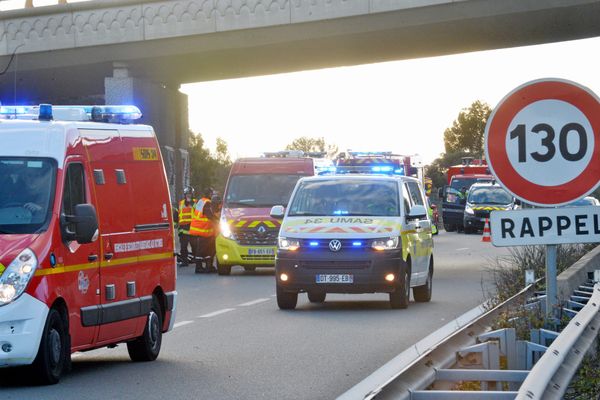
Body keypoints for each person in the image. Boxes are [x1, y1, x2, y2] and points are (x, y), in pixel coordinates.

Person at [190, 187, 216, 273]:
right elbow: (209, 215)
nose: (212, 195)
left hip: (199, 230)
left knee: (208, 249)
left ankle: (208, 266)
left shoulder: (201, 201)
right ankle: (199, 267)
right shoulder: (207, 203)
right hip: (203, 230)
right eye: (212, 194)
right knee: (202, 250)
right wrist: (218, 220)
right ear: (209, 194)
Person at [177, 186, 197, 267]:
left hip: (192, 228)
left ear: (192, 195)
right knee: (183, 247)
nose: (188, 196)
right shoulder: (181, 203)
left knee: (195, 246)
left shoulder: (195, 203)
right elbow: (178, 214)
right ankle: (185, 261)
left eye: (190, 194)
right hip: (183, 229)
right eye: (187, 194)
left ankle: (196, 260)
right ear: (184, 195)